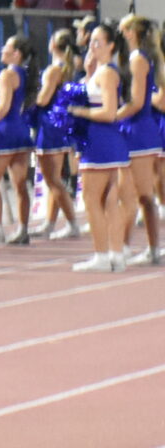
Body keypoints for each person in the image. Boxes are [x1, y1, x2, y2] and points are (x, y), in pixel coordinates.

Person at [69, 21, 132, 273]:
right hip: (104, 140)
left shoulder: (107, 72)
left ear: (111, 46)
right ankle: (115, 254)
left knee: (91, 198)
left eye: (98, 42)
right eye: (90, 41)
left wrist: (78, 111)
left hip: (101, 140)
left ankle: (101, 256)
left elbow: (109, 112)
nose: (92, 46)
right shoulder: (100, 70)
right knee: (109, 201)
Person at [0, 34, 37, 246]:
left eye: (7, 46)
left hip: (4, 132)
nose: (2, 49)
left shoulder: (7, 75)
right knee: (20, 185)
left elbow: (3, 106)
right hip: (21, 131)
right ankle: (23, 229)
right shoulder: (24, 74)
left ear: (16, 54)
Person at [31, 25, 83, 241]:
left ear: (54, 45)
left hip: (49, 124)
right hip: (59, 124)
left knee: (52, 178)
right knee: (55, 178)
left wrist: (25, 100)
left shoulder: (54, 69)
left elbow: (43, 99)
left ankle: (72, 223)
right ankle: (50, 223)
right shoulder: (67, 67)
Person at [119, 15, 163, 266]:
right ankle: (150, 248)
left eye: (124, 29)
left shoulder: (137, 59)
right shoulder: (142, 57)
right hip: (142, 130)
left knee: (136, 194)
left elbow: (136, 102)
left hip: (137, 130)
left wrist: (112, 116)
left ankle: (125, 247)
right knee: (143, 195)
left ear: (130, 32)